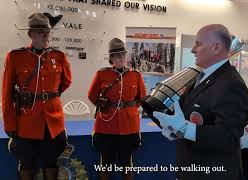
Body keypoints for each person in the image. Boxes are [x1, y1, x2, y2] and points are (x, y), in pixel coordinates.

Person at [153, 24, 248, 180]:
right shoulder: (201, 77)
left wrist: (184, 129)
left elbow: (228, 137)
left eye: (198, 44)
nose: (193, 50)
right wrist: (175, 128)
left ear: (216, 47)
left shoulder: (232, 84)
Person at [1, 13, 71, 179]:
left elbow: (66, 82)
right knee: (26, 164)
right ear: (30, 34)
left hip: (52, 122)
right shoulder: (15, 57)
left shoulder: (58, 56)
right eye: (40, 31)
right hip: (26, 122)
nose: (45, 34)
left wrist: (49, 97)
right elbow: (6, 93)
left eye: (47, 31)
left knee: (51, 162)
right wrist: (10, 125)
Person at [88, 38, 146, 180]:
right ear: (111, 58)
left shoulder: (136, 75)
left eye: (123, 54)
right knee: (106, 164)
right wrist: (106, 107)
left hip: (129, 126)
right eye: (117, 55)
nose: (121, 58)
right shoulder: (102, 74)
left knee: (127, 164)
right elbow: (92, 96)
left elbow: (141, 98)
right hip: (106, 126)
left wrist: (127, 109)